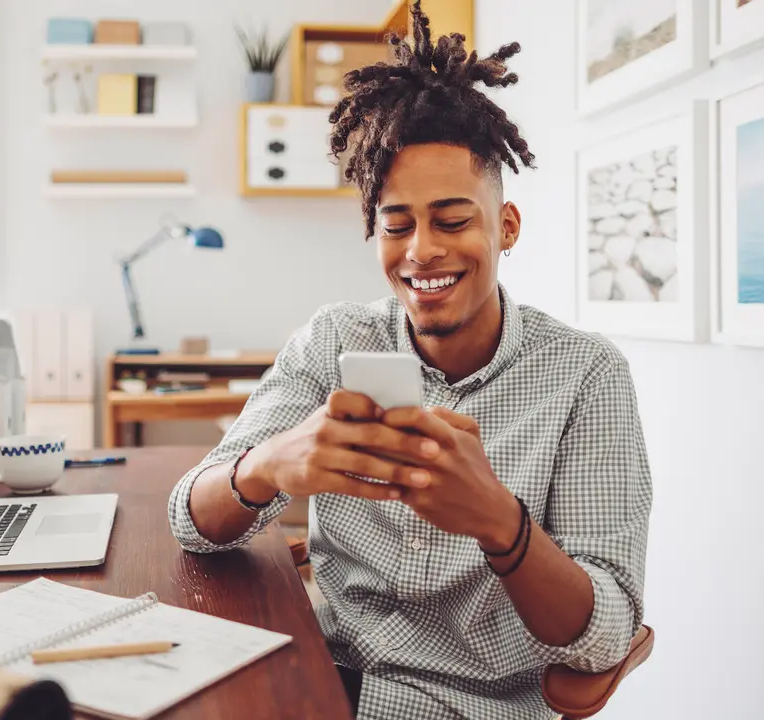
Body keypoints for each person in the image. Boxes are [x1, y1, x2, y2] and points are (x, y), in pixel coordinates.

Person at [166, 4, 652, 719]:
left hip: (473, 707)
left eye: (453, 220)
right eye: (397, 225)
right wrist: (270, 463)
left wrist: (500, 525)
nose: (423, 249)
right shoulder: (333, 341)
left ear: (505, 226)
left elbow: (607, 630)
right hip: (321, 683)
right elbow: (187, 516)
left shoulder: (586, 377)